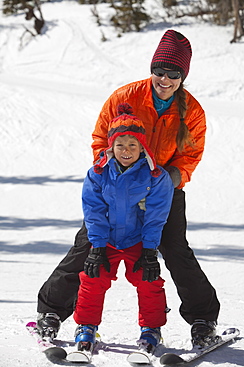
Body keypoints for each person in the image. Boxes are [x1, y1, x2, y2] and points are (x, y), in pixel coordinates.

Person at [37, 29, 220, 347]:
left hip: (162, 191)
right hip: (117, 187)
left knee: (175, 250)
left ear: (183, 76)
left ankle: (203, 319)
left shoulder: (192, 112)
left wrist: (162, 183)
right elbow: (100, 139)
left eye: (173, 74)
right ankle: (51, 312)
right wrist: (115, 175)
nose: (164, 79)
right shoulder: (125, 98)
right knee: (89, 247)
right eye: (159, 71)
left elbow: (189, 157)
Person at [71, 103, 174, 354]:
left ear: (142, 147)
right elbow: (93, 211)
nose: (126, 151)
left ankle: (151, 329)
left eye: (132, 145)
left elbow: (156, 216)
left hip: (137, 240)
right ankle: (86, 326)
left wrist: (150, 251)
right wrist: (97, 246)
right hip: (107, 240)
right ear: (111, 146)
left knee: (148, 280)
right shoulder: (98, 173)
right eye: (120, 145)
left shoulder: (156, 177)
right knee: (93, 277)